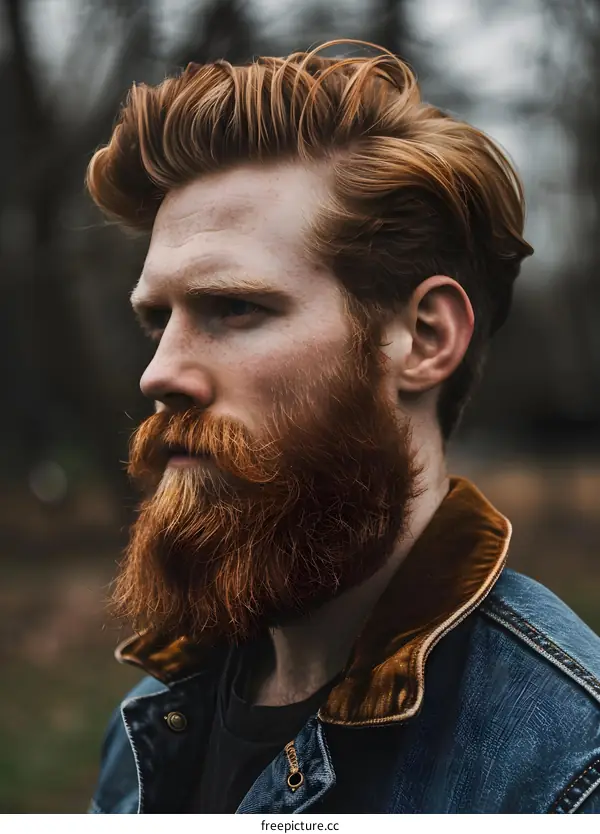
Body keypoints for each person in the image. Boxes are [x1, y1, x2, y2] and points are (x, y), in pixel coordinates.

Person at [85, 40, 600, 814]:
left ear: (424, 339)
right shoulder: (158, 711)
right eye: (157, 319)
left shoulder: (563, 765)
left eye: (235, 307)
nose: (160, 373)